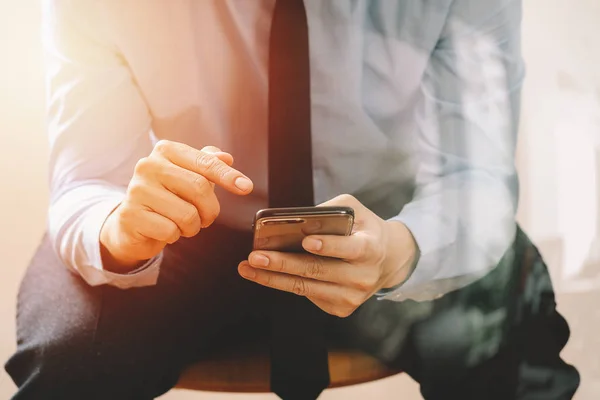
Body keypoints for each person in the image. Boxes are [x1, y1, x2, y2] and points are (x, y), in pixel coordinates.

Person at [5, 0, 579, 399]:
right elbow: (88, 181)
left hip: (394, 218)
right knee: (70, 360)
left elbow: (474, 180)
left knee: (518, 362)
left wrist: (403, 250)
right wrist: (120, 232)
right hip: (186, 227)